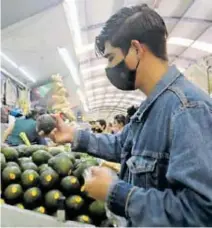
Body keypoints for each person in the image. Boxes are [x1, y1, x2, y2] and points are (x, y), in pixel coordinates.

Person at [40, 4, 212, 226]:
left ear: (136, 49)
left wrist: (115, 192)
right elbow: (122, 145)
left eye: (111, 58)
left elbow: (200, 212)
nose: (110, 68)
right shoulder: (151, 107)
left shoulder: (187, 109)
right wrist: (74, 135)